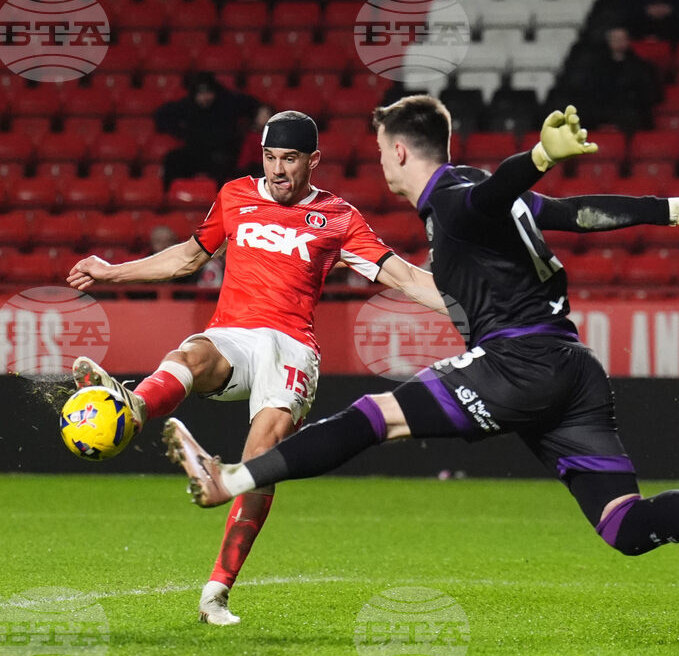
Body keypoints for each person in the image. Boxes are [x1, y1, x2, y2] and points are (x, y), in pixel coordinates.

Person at [165, 96, 679, 577]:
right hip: (574, 369)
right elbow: (574, 213)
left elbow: (498, 191)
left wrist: (537, 156)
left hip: (518, 363)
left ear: (401, 152)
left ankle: (231, 480)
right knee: (623, 525)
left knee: (374, 417)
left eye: (381, 151)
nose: (378, 163)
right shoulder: (471, 192)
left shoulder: (459, 200)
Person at [67, 110, 445, 625]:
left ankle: (215, 594)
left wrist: (471, 305)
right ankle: (132, 407)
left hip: (292, 349)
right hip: (233, 336)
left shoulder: (339, 217)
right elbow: (185, 259)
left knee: (259, 457)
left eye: (289, 159)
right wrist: (112, 273)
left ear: (313, 161)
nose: (278, 170)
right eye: (270, 158)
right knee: (191, 354)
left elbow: (402, 277)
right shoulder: (235, 196)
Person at [154, 72, 263, 190]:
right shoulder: (188, 105)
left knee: (225, 163)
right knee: (172, 159)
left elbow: (256, 106)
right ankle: (168, 196)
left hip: (222, 152)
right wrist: (180, 132)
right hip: (196, 152)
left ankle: (220, 201)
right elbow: (161, 114)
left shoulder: (229, 101)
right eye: (200, 94)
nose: (204, 98)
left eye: (208, 93)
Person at [570, 26, 662, 134]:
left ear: (628, 41)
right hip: (602, 110)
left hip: (632, 110)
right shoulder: (596, 68)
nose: (619, 42)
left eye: (622, 39)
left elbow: (650, 94)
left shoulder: (642, 67)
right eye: (615, 39)